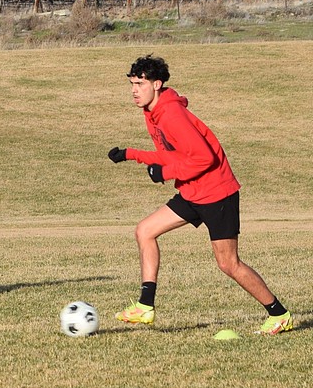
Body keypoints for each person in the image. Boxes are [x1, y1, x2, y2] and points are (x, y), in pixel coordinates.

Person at [107, 55, 294, 335]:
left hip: (217, 192)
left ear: (157, 84)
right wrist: (131, 155)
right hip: (193, 191)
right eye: (132, 84)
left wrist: (164, 173)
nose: (134, 90)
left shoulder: (171, 114)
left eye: (140, 84)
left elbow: (203, 158)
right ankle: (145, 307)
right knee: (145, 230)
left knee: (228, 263)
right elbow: (170, 154)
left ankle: (280, 314)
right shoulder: (152, 112)